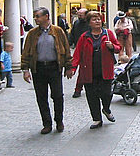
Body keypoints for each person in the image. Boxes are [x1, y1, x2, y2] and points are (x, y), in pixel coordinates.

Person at [21, 7, 73, 135]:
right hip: (38, 68)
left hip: (54, 67)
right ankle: (47, 123)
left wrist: (68, 67)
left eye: (38, 16)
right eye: (35, 16)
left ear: (46, 16)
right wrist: (25, 69)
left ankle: (59, 121)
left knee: (57, 95)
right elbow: (26, 51)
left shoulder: (58, 31)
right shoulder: (33, 34)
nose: (35, 19)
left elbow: (65, 49)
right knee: (41, 97)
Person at [72, 11, 121, 129]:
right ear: (89, 23)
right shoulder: (84, 37)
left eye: (99, 19)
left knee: (107, 93)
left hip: (105, 70)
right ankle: (97, 119)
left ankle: (106, 109)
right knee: (92, 96)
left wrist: (112, 47)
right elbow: (77, 53)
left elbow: (118, 48)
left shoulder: (108, 33)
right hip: (89, 71)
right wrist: (73, 67)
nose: (97, 21)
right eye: (94, 19)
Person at [69, 8, 89, 98]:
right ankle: (78, 89)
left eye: (81, 15)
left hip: (88, 49)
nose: (79, 16)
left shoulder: (89, 24)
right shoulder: (77, 23)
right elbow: (72, 33)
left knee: (85, 70)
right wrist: (69, 43)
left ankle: (80, 89)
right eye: (79, 14)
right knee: (81, 70)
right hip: (79, 48)